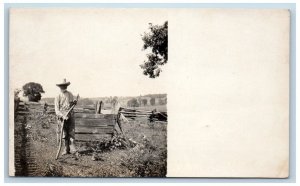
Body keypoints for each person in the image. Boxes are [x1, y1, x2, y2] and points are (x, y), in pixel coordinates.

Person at [54, 79, 77, 155]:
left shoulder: (70, 94)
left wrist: (74, 103)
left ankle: (73, 149)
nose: (64, 87)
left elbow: (71, 105)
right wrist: (62, 116)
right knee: (64, 134)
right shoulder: (58, 96)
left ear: (67, 86)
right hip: (62, 118)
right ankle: (65, 149)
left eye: (65, 85)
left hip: (70, 116)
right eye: (62, 85)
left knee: (71, 132)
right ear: (60, 87)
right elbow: (57, 110)